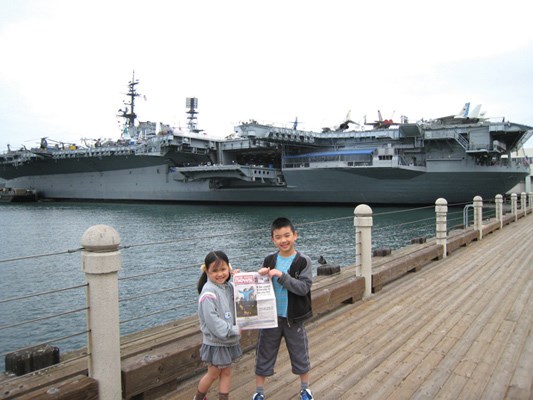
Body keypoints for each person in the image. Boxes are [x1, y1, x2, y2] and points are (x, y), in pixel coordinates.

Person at [252, 217, 314, 400]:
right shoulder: (269, 259)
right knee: (264, 352)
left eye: (287, 235)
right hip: (270, 317)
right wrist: (259, 275)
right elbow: (261, 287)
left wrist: (281, 275)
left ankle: (305, 389)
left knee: (300, 352)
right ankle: (259, 392)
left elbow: (304, 288)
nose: (283, 240)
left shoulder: (303, 261)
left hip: (293, 318)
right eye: (278, 237)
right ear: (273, 239)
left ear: (295, 235)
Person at [194, 251, 242, 400]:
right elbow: (213, 322)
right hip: (216, 342)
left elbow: (245, 290)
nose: (220, 274)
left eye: (223, 269)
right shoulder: (208, 293)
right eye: (214, 271)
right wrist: (234, 329)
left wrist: (238, 278)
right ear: (207, 271)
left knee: (226, 372)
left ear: (229, 268)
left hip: (228, 340)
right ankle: (199, 397)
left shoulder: (229, 286)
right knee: (213, 374)